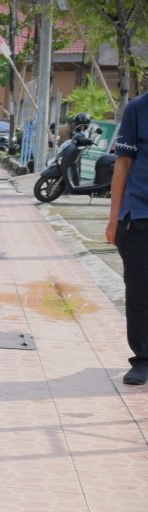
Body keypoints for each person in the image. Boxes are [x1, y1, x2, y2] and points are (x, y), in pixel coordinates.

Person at [106, 92, 148, 386]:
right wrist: (115, 217)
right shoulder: (138, 109)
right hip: (139, 215)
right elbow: (122, 163)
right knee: (139, 292)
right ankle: (143, 359)